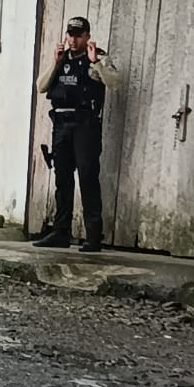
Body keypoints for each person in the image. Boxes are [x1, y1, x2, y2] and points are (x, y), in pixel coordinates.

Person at [33, 16, 122, 253]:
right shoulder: (62, 59)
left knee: (87, 176)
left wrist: (96, 63)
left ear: (87, 36)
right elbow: (41, 86)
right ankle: (61, 232)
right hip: (61, 123)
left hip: (85, 124)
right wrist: (55, 62)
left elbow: (114, 83)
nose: (73, 40)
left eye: (78, 35)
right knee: (62, 178)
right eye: (70, 35)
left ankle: (93, 235)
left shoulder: (97, 58)